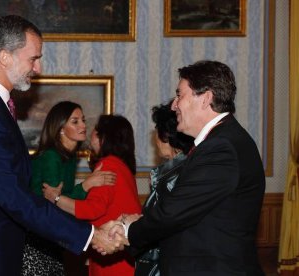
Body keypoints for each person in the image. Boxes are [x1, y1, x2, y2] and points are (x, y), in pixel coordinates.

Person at [0, 15, 122, 276]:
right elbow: (14, 197)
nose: (38, 68)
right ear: (4, 57)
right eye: (33, 58)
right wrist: (90, 235)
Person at [106, 60, 266, 275]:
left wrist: (129, 231)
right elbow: (191, 208)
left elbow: (175, 212)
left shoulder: (221, 147)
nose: (174, 105)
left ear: (206, 98)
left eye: (180, 95)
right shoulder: (221, 140)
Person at [22, 101, 116, 276]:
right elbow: (52, 203)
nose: (83, 126)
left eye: (83, 120)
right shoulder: (51, 156)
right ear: (60, 129)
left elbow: (61, 199)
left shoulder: (68, 157)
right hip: (37, 237)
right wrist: (87, 185)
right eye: (75, 121)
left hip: (51, 234)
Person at [43, 114, 142, 276]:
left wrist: (56, 199)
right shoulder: (123, 167)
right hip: (122, 256)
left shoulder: (108, 164)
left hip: (112, 258)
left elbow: (92, 209)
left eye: (95, 131)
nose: (90, 134)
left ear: (104, 138)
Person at [134, 100, 194, 276]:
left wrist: (130, 227)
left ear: (166, 135)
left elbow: (159, 221)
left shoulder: (170, 176)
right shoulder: (190, 167)